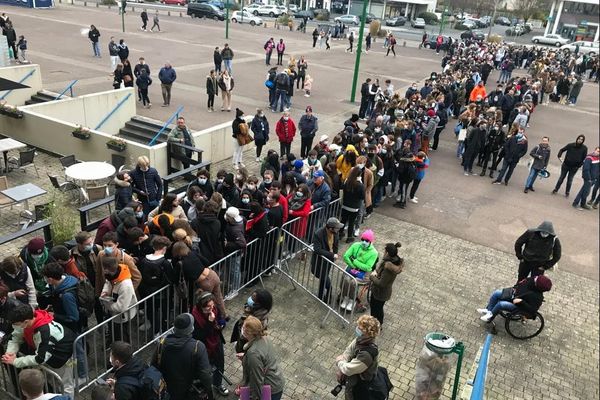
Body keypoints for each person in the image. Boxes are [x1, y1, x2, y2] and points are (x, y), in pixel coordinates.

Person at [1, 304, 75, 398]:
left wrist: (15, 361)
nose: (14, 327)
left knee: (65, 385)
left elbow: (40, 358)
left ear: (26, 322)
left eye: (16, 325)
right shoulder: (29, 321)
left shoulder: (44, 332)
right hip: (49, 356)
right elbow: (16, 336)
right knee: (53, 381)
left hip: (63, 359)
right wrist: (10, 353)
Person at [152, 313, 215, 400]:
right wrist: (208, 391)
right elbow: (205, 375)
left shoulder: (162, 343)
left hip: (167, 389)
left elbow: (154, 366)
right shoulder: (198, 347)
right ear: (191, 329)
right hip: (189, 390)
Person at [235, 316, 285, 400]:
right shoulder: (265, 339)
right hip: (276, 382)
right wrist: (245, 358)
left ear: (248, 333)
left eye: (243, 327)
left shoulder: (253, 353)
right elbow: (263, 359)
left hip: (269, 390)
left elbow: (257, 381)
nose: (241, 329)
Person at [335, 315, 381, 400]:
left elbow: (348, 369)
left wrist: (340, 362)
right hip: (354, 377)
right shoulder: (361, 339)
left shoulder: (366, 355)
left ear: (367, 333)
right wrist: (344, 362)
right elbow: (348, 351)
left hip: (359, 384)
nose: (357, 329)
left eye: (360, 329)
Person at [192, 291, 229, 396]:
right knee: (205, 369)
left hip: (216, 341)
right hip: (204, 346)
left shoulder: (214, 309)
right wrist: (209, 322)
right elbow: (199, 336)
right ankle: (205, 388)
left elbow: (220, 320)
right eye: (207, 307)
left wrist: (222, 324)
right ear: (200, 307)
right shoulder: (194, 317)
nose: (211, 309)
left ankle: (218, 384)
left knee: (219, 363)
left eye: (212, 305)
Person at [478, 275, 552, 322]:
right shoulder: (532, 281)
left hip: (519, 306)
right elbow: (521, 284)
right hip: (514, 295)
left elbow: (532, 310)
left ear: (538, 286)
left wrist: (521, 301)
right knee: (496, 293)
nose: (535, 278)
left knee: (501, 304)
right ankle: (489, 310)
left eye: (537, 279)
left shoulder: (538, 297)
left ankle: (490, 316)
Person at [100, 256, 138, 343]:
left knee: (122, 335)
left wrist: (105, 302)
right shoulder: (112, 274)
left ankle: (124, 351)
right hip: (113, 313)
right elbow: (108, 283)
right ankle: (113, 342)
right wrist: (105, 292)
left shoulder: (125, 285)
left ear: (107, 269)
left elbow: (121, 308)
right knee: (114, 331)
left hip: (122, 316)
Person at [341, 230, 378, 311]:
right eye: (363, 239)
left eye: (367, 240)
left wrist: (354, 261)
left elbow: (368, 267)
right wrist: (353, 265)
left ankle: (352, 300)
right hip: (352, 268)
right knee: (346, 279)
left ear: (370, 241)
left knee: (353, 283)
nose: (364, 242)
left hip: (364, 274)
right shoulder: (356, 245)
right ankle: (345, 297)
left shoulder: (374, 253)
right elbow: (346, 256)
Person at [369, 242, 403, 325]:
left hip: (380, 293)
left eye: (384, 251)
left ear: (387, 253)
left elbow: (381, 284)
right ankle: (376, 324)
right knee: (376, 308)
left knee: (377, 310)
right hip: (379, 292)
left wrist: (372, 277)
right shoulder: (391, 261)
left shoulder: (388, 268)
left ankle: (377, 326)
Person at [311, 217, 343, 302]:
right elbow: (317, 249)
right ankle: (329, 291)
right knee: (323, 278)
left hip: (328, 261)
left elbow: (335, 246)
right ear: (330, 228)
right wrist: (332, 255)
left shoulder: (336, 233)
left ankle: (321, 296)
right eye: (336, 228)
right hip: (319, 261)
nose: (338, 229)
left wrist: (334, 255)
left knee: (323, 278)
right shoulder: (319, 234)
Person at [340, 167, 364, 243]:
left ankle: (340, 233)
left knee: (343, 220)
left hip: (345, 205)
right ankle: (349, 237)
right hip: (354, 207)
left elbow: (342, 189)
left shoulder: (347, 181)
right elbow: (362, 196)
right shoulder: (360, 185)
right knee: (351, 222)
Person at [572, 146, 600, 210]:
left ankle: (583, 204)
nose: (597, 152)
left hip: (593, 179)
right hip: (588, 179)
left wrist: (595, 177)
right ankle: (575, 203)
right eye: (597, 151)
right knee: (584, 191)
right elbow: (586, 169)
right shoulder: (589, 158)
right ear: (595, 150)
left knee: (586, 192)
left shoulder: (597, 158)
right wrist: (589, 179)